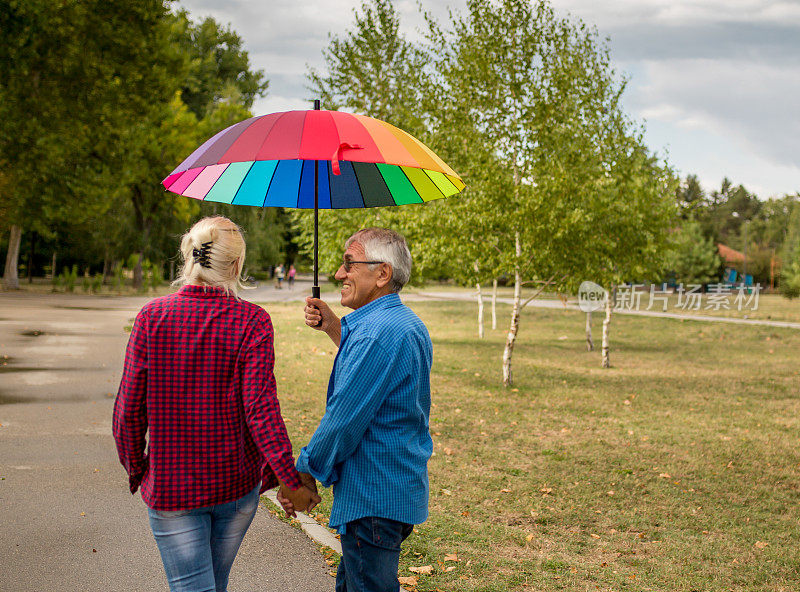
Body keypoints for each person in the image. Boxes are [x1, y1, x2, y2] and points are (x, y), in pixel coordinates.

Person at [113, 216, 319, 592]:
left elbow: (128, 410)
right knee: (212, 584)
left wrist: (138, 469)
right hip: (234, 487)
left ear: (189, 257)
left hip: (172, 488)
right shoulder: (253, 320)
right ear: (236, 265)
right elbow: (262, 410)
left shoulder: (151, 317)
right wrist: (288, 480)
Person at [279, 228, 433, 592]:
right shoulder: (403, 323)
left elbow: (344, 420)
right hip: (394, 489)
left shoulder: (376, 334)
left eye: (350, 263)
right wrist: (333, 325)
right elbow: (374, 377)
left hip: (373, 497)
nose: (338, 274)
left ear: (382, 273)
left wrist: (302, 474)